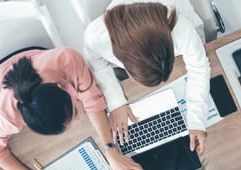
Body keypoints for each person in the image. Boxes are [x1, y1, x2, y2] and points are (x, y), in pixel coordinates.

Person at [0, 48, 145, 170]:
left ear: (63, 88)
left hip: (40, 59)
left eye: (75, 113)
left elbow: (92, 101)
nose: (77, 119)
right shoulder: (7, 114)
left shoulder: (68, 59)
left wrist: (111, 149)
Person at [84, 0, 210, 155]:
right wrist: (116, 102)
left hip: (185, 45)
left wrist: (197, 122)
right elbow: (98, 65)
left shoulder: (179, 26)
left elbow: (199, 67)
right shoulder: (97, 36)